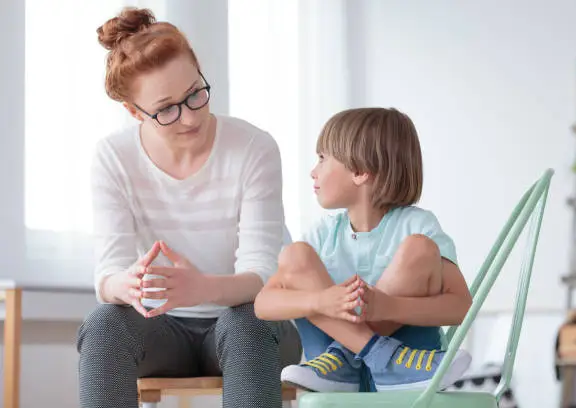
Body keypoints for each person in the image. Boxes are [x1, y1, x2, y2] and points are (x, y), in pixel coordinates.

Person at [76, 7, 302, 408]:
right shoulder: (113, 157)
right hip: (161, 333)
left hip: (247, 327)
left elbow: (262, 276)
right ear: (134, 112)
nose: (190, 116)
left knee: (247, 319)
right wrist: (124, 284)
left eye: (195, 93)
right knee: (104, 324)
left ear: (200, 72)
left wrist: (202, 288)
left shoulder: (253, 148)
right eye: (166, 109)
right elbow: (106, 277)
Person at [254, 107, 473, 393]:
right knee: (295, 255)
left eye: (322, 158)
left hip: (410, 376)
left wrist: (388, 306)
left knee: (419, 248)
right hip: (336, 376)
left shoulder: (418, 227)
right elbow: (263, 304)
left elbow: (461, 308)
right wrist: (321, 301)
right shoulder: (322, 236)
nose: (313, 171)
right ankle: (369, 358)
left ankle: (350, 358)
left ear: (359, 172)